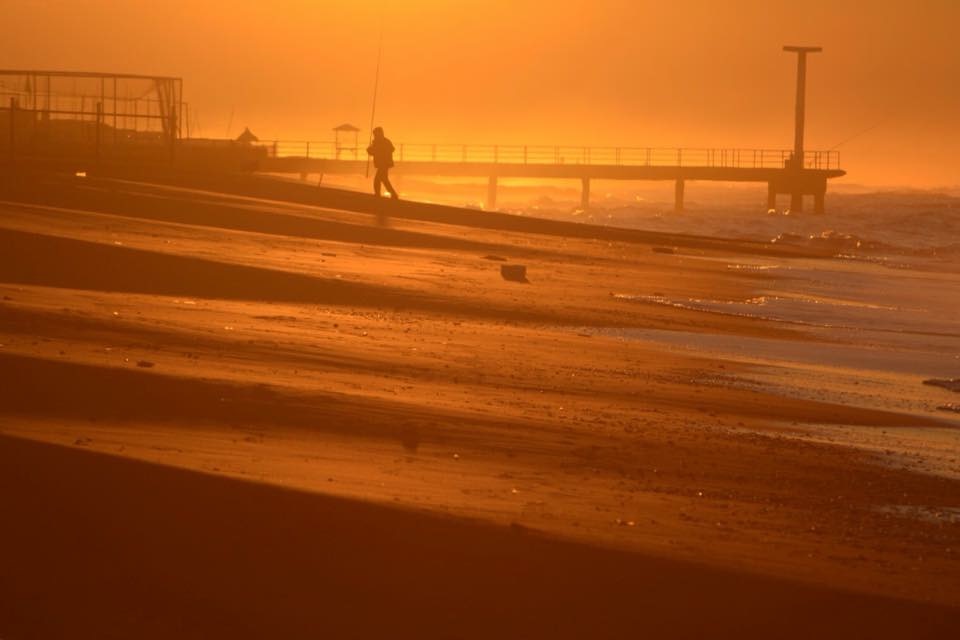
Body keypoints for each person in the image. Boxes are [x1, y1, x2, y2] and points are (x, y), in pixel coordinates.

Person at [366, 127, 399, 199]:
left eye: (375, 134)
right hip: (384, 164)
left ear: (379, 133)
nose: (374, 135)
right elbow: (374, 152)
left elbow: (376, 152)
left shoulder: (382, 142)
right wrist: (371, 149)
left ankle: (379, 195)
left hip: (383, 165)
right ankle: (393, 194)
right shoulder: (382, 142)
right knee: (384, 180)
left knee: (377, 180)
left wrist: (370, 149)